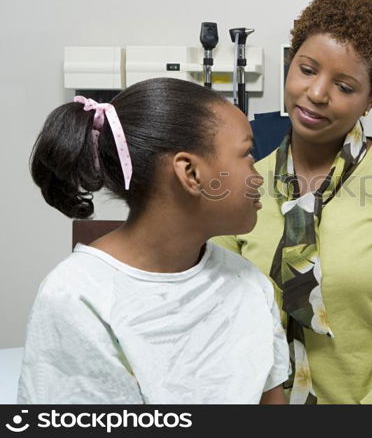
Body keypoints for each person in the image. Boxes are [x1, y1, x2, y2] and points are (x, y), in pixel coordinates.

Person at [213, 0, 372, 404]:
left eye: (344, 86)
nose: (316, 93)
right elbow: (224, 321)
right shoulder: (243, 185)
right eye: (307, 69)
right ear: (288, 66)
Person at [20, 78, 289, 404]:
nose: (258, 173)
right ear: (190, 173)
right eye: (247, 153)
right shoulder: (77, 299)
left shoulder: (250, 285)